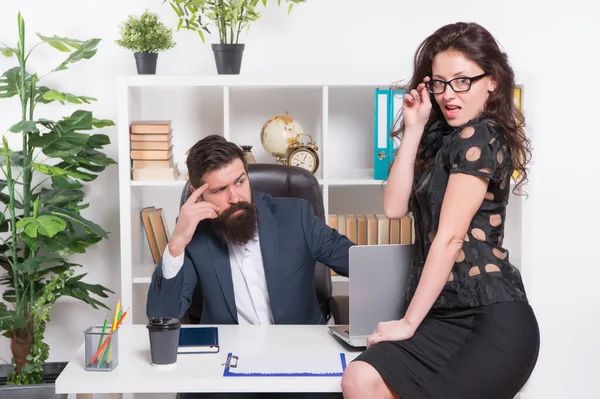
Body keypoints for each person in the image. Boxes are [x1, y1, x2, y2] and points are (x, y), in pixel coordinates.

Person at [341, 22, 540, 399]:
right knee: (359, 379)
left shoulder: (481, 134)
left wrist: (407, 322)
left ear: (493, 80)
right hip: (440, 315)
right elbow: (394, 207)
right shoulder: (442, 137)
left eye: (462, 81)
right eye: (439, 82)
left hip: (489, 317)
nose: (449, 94)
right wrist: (414, 129)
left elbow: (449, 239)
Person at [146, 134, 353, 327]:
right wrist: (176, 244)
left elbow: (359, 264)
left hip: (298, 347)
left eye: (240, 182)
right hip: (228, 354)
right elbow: (162, 317)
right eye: (219, 190)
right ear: (198, 196)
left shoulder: (296, 216)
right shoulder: (193, 234)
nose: (235, 198)